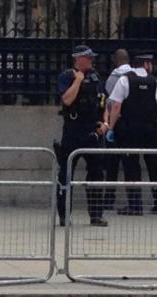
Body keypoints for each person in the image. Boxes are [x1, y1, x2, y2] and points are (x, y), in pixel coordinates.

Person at [55, 45, 108, 227]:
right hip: (73, 130)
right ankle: (64, 216)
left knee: (96, 174)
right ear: (78, 58)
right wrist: (77, 81)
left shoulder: (95, 77)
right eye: (88, 57)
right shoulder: (67, 76)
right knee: (66, 174)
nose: (91, 60)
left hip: (92, 131)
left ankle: (96, 215)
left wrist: (105, 122)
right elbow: (67, 100)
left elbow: (103, 102)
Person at [107, 54, 157, 216]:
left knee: (131, 166)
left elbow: (116, 106)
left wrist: (111, 128)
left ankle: (135, 204)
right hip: (150, 130)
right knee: (154, 166)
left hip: (130, 130)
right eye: (151, 63)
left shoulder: (125, 80)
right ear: (146, 64)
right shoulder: (156, 82)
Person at [103, 49, 132, 210]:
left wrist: (110, 127)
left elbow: (111, 103)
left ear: (116, 60)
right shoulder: (134, 76)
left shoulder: (114, 77)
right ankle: (134, 200)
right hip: (132, 124)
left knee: (112, 163)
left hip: (117, 123)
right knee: (131, 164)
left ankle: (109, 198)